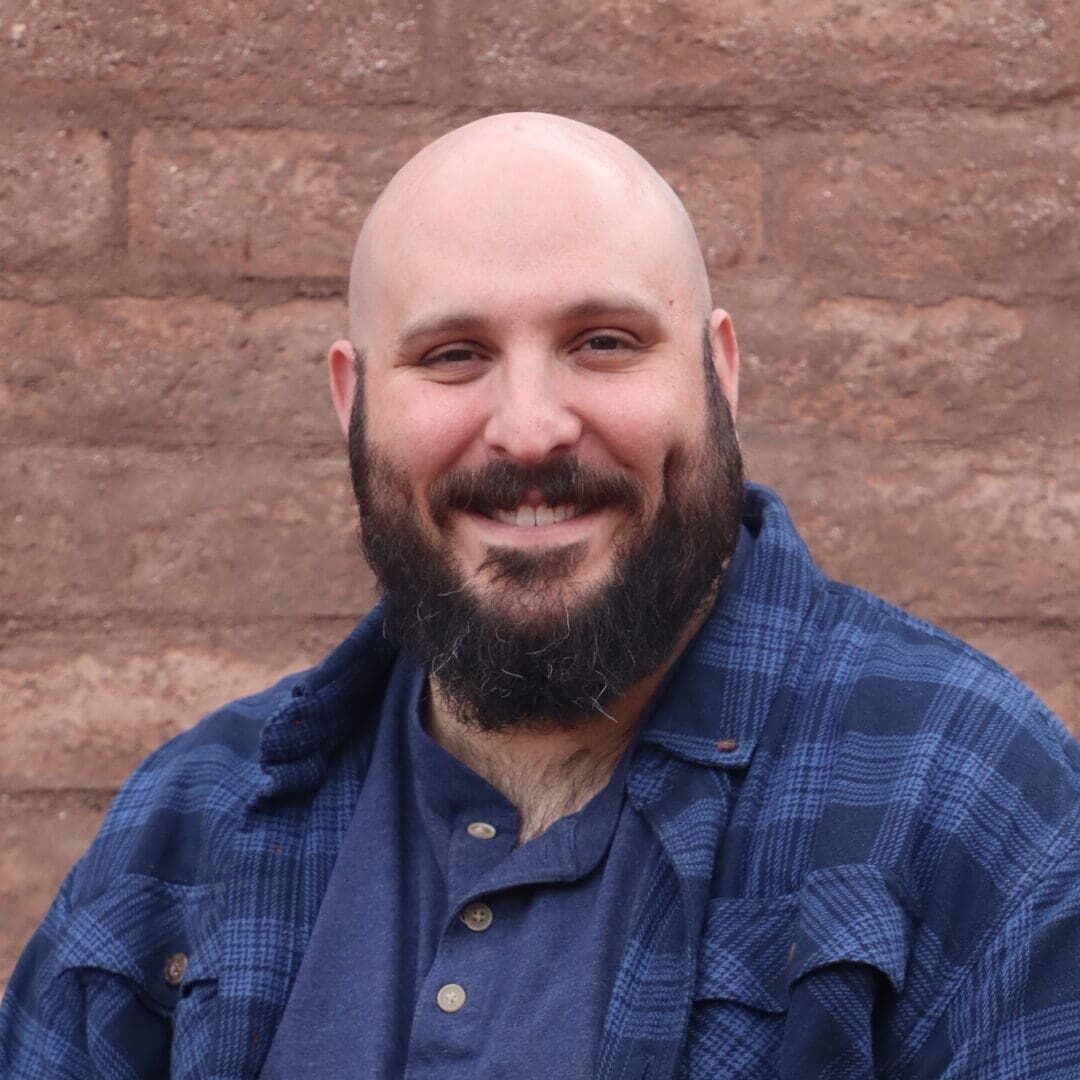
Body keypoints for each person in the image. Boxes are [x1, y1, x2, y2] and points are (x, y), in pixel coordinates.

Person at [2, 112, 1078, 1080]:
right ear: (354, 400)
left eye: (602, 343)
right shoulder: (186, 825)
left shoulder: (972, 802)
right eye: (455, 354)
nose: (529, 428)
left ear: (719, 372)